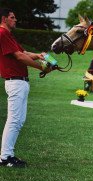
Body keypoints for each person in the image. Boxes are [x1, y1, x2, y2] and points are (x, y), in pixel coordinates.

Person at [0, 8, 49, 168]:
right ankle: (5, 157)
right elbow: (20, 56)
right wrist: (42, 67)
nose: (15, 20)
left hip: (20, 82)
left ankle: (9, 155)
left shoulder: (8, 35)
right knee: (14, 120)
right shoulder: (2, 33)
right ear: (4, 18)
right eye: (12, 17)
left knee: (19, 120)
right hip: (15, 82)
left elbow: (23, 52)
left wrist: (38, 56)